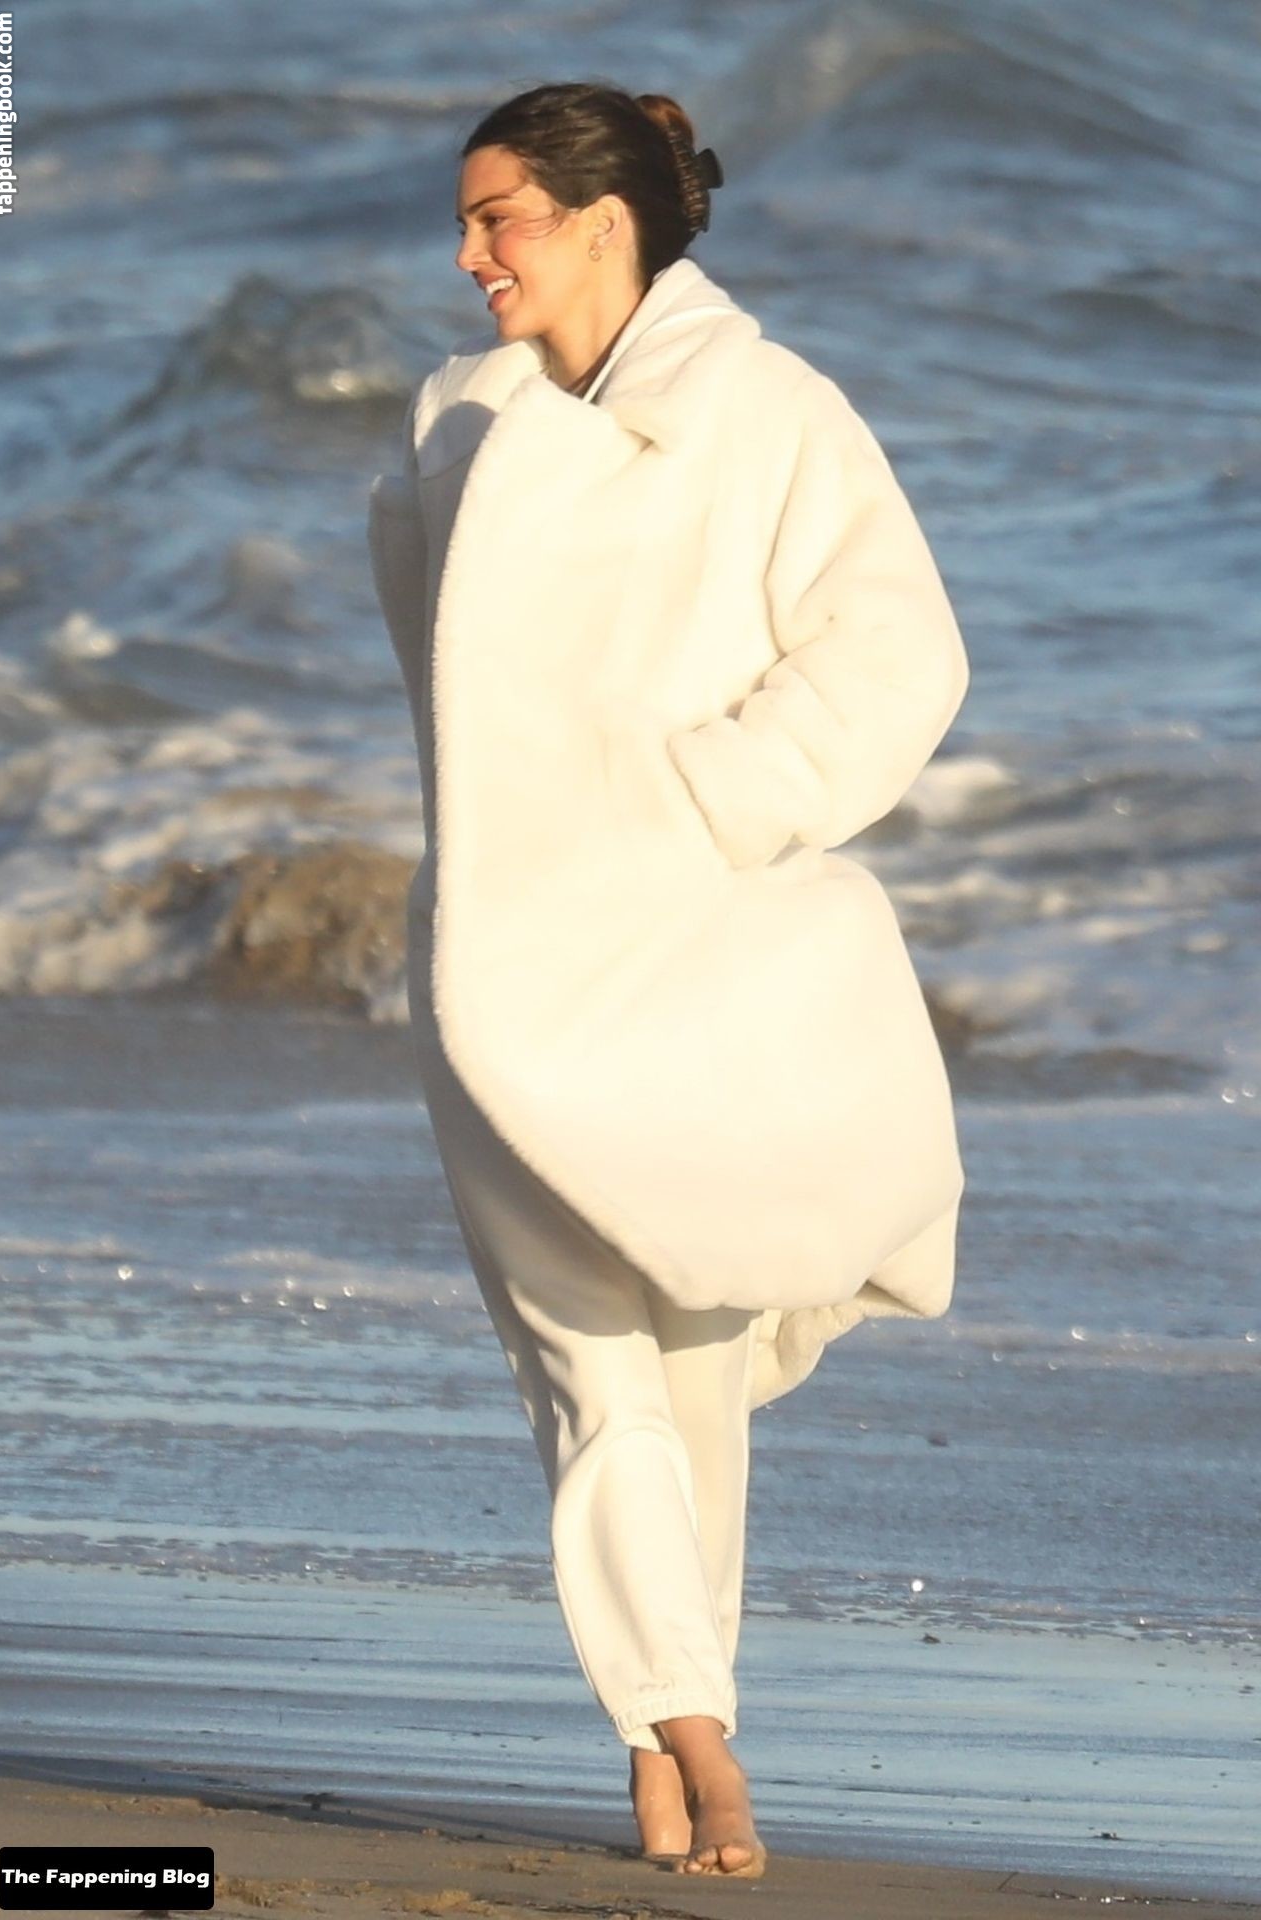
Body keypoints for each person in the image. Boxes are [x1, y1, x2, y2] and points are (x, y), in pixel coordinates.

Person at [368, 81, 971, 1881]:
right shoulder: (458, 427)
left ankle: (663, 1731)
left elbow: (899, 658)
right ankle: (693, 1737)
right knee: (581, 1359)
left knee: (690, 1365)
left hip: (692, 951)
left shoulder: (768, 413)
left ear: (604, 222)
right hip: (499, 970)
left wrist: (711, 805)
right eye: (466, 221)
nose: (469, 255)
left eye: (499, 218)